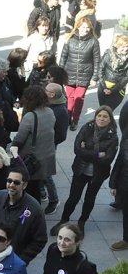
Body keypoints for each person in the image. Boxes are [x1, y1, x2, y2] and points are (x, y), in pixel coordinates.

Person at [52, 106, 118, 235]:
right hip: (80, 170)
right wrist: (98, 154)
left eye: (105, 117)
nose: (102, 119)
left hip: (98, 174)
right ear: (95, 116)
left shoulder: (113, 136)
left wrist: (86, 149)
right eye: (99, 115)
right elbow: (77, 149)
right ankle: (64, 220)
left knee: (89, 199)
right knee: (73, 198)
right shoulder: (86, 128)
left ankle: (82, 222)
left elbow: (108, 159)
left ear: (110, 120)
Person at [10, 86, 56, 200]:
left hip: (32, 159)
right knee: (39, 184)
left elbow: (20, 139)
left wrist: (12, 148)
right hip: (47, 154)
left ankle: (31, 212)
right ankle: (48, 199)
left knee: (30, 189)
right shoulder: (50, 111)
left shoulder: (30, 116)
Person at [59, 18, 100, 130]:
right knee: (69, 98)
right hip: (69, 73)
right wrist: (59, 73)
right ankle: (67, 117)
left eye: (87, 27)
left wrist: (95, 77)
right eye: (83, 27)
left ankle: (75, 119)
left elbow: (97, 60)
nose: (85, 30)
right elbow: (63, 57)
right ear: (77, 27)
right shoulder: (69, 39)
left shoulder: (93, 41)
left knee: (79, 98)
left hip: (85, 75)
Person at [109, 131, 128, 250]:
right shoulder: (126, 144)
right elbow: (118, 165)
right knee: (126, 213)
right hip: (125, 185)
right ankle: (126, 240)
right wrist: (113, 183)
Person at [99, 35, 128, 111]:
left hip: (118, 90)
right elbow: (101, 69)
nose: (126, 49)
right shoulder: (108, 54)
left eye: (127, 46)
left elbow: (126, 77)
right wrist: (104, 87)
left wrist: (112, 90)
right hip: (104, 87)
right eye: (123, 46)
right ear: (117, 46)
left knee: (108, 110)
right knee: (102, 110)